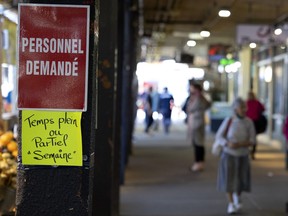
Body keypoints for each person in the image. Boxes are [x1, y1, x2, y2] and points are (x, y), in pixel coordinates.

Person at [216, 97, 256, 214]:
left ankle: (237, 196)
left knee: (240, 179)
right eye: (241, 107)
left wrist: (239, 144)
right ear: (235, 109)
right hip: (229, 154)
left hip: (243, 155)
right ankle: (231, 203)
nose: (244, 109)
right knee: (229, 179)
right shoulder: (229, 121)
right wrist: (228, 143)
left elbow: (253, 140)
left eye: (245, 107)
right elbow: (219, 136)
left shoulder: (249, 122)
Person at [186, 81, 211, 172]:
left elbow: (190, 108)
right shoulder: (198, 97)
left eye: (192, 88)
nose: (190, 89)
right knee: (198, 143)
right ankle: (199, 162)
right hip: (196, 121)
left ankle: (199, 162)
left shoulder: (198, 98)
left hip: (197, 122)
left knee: (198, 143)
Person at [246, 91, 265, 159]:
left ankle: (251, 151)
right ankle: (252, 152)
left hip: (252, 121)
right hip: (253, 121)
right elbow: (263, 109)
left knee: (250, 137)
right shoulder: (255, 102)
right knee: (253, 137)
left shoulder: (248, 103)